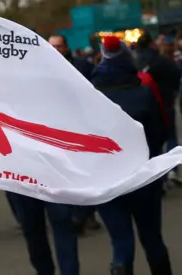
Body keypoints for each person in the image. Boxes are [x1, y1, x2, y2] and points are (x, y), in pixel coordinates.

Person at [92, 36, 171, 274]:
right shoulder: (143, 93)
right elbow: (160, 133)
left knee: (120, 242)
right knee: (152, 238)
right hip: (142, 177)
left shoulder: (90, 96)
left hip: (106, 180)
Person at [48, 34, 100, 234]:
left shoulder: (82, 66)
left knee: (85, 172)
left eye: (59, 46)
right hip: (55, 129)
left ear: (66, 47)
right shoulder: (39, 69)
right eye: (52, 47)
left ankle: (87, 214)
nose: (56, 50)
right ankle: (69, 215)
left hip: (81, 126)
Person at [134, 33, 182, 187]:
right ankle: (173, 169)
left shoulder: (133, 62)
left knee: (151, 142)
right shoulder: (161, 61)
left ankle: (158, 177)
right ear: (151, 44)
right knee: (170, 136)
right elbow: (177, 76)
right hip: (166, 102)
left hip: (142, 106)